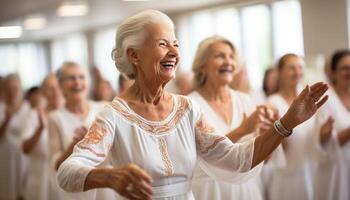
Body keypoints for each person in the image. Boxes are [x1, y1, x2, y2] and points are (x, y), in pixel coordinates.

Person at [56, 10, 328, 200]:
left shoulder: (187, 109)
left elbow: (235, 159)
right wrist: (109, 176)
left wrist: (287, 122)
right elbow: (67, 172)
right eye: (163, 44)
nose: (174, 52)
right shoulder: (114, 115)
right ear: (134, 55)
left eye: (176, 44)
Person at [189, 35, 276, 200]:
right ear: (202, 66)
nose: (228, 62)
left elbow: (264, 159)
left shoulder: (245, 100)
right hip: (211, 192)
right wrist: (244, 129)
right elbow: (200, 158)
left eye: (231, 56)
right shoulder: (190, 105)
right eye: (220, 56)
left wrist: (269, 135)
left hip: (248, 189)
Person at [47, 62, 115, 200]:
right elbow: (56, 164)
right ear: (61, 85)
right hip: (76, 190)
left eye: (81, 77)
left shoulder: (104, 108)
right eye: (71, 78)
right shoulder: (55, 118)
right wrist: (76, 143)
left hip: (106, 187)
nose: (77, 82)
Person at [267, 53, 315, 200]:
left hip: (310, 173)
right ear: (280, 72)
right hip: (286, 177)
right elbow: (274, 147)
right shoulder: (272, 103)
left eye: (300, 67)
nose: (297, 72)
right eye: (292, 68)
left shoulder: (310, 100)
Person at [312, 49, 350, 200]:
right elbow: (322, 145)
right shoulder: (326, 100)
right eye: (345, 68)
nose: (349, 72)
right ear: (333, 72)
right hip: (335, 172)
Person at [21, 74, 64, 200]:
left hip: (63, 176)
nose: (55, 92)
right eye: (50, 88)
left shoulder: (67, 113)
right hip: (40, 177)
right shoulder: (33, 115)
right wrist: (40, 129)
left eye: (58, 87)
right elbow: (25, 149)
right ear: (43, 93)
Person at [0, 74, 30, 200]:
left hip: (25, 160)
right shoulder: (1, 107)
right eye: (9, 88)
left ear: (21, 89)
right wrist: (7, 119)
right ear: (4, 90)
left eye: (15, 88)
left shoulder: (29, 107)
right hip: (5, 160)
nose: (12, 92)